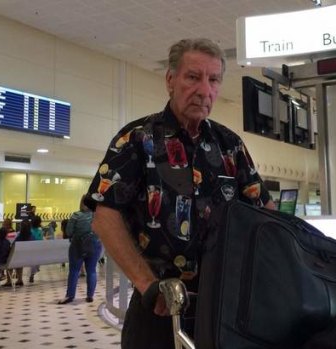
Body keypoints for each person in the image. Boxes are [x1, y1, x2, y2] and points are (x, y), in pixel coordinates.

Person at [86, 38, 274, 348]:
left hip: (224, 311)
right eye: (193, 76)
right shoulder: (136, 139)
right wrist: (149, 286)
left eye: (213, 80)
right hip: (157, 311)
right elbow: (105, 218)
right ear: (170, 80)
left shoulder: (230, 145)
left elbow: (265, 212)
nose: (204, 89)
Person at [58, 195, 102, 304]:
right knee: (91, 270)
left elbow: (68, 232)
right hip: (95, 245)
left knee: (74, 271)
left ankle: (70, 296)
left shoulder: (76, 216)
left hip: (77, 246)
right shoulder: (97, 216)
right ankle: (90, 296)